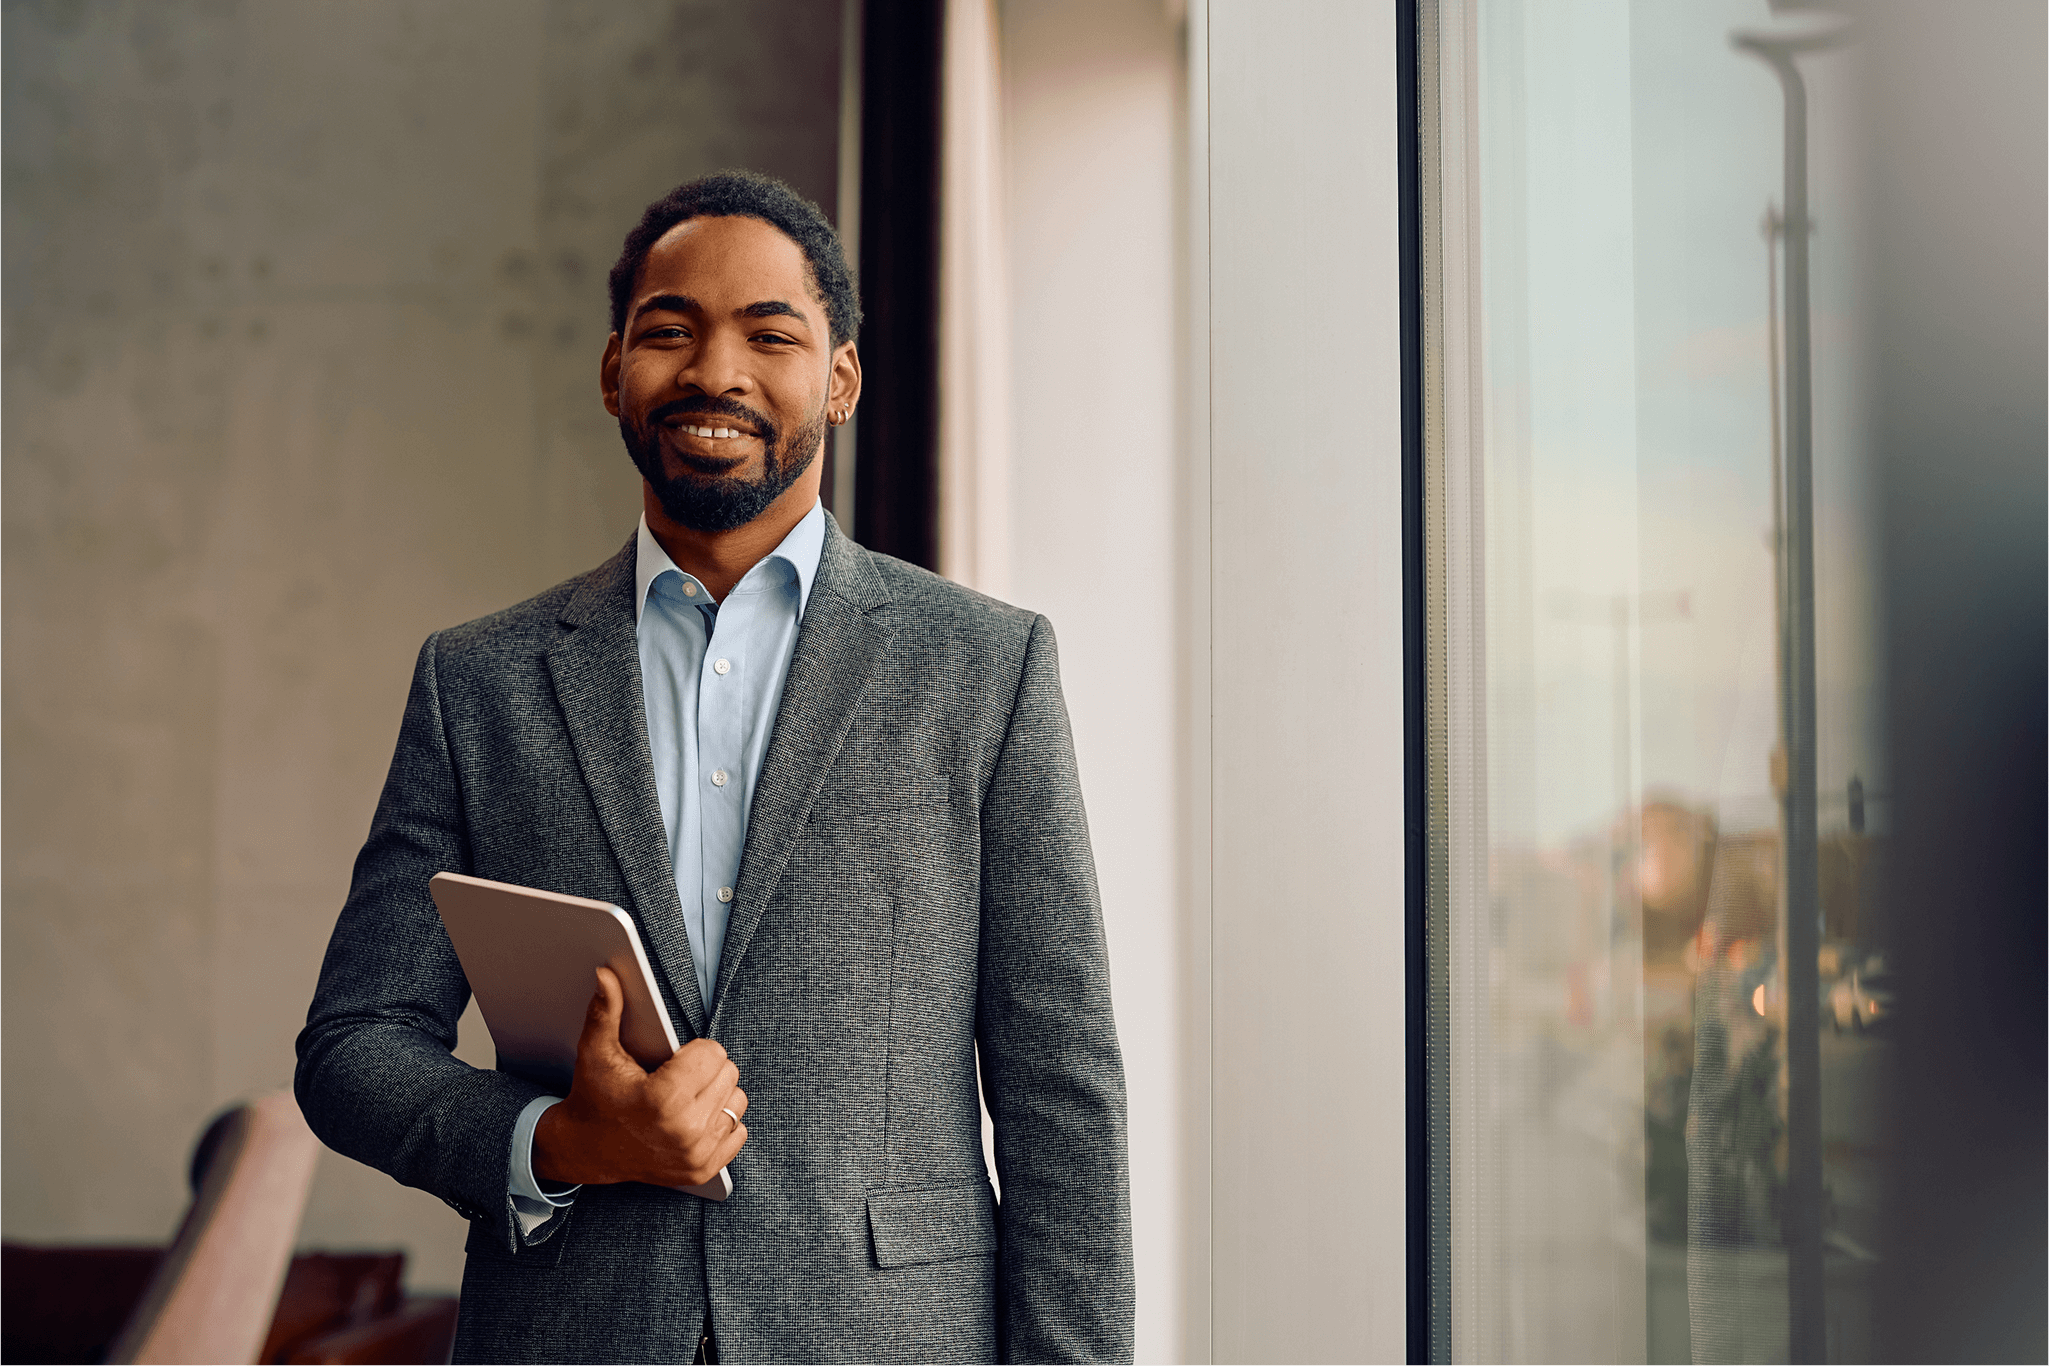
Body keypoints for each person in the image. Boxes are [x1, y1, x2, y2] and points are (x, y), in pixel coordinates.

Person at [295, 170, 1133, 1365]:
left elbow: (1063, 1094)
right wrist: (559, 1139)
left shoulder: (984, 669)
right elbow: (354, 1044)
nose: (714, 372)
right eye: (669, 330)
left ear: (839, 378)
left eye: (769, 334)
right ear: (611, 372)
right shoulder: (479, 681)